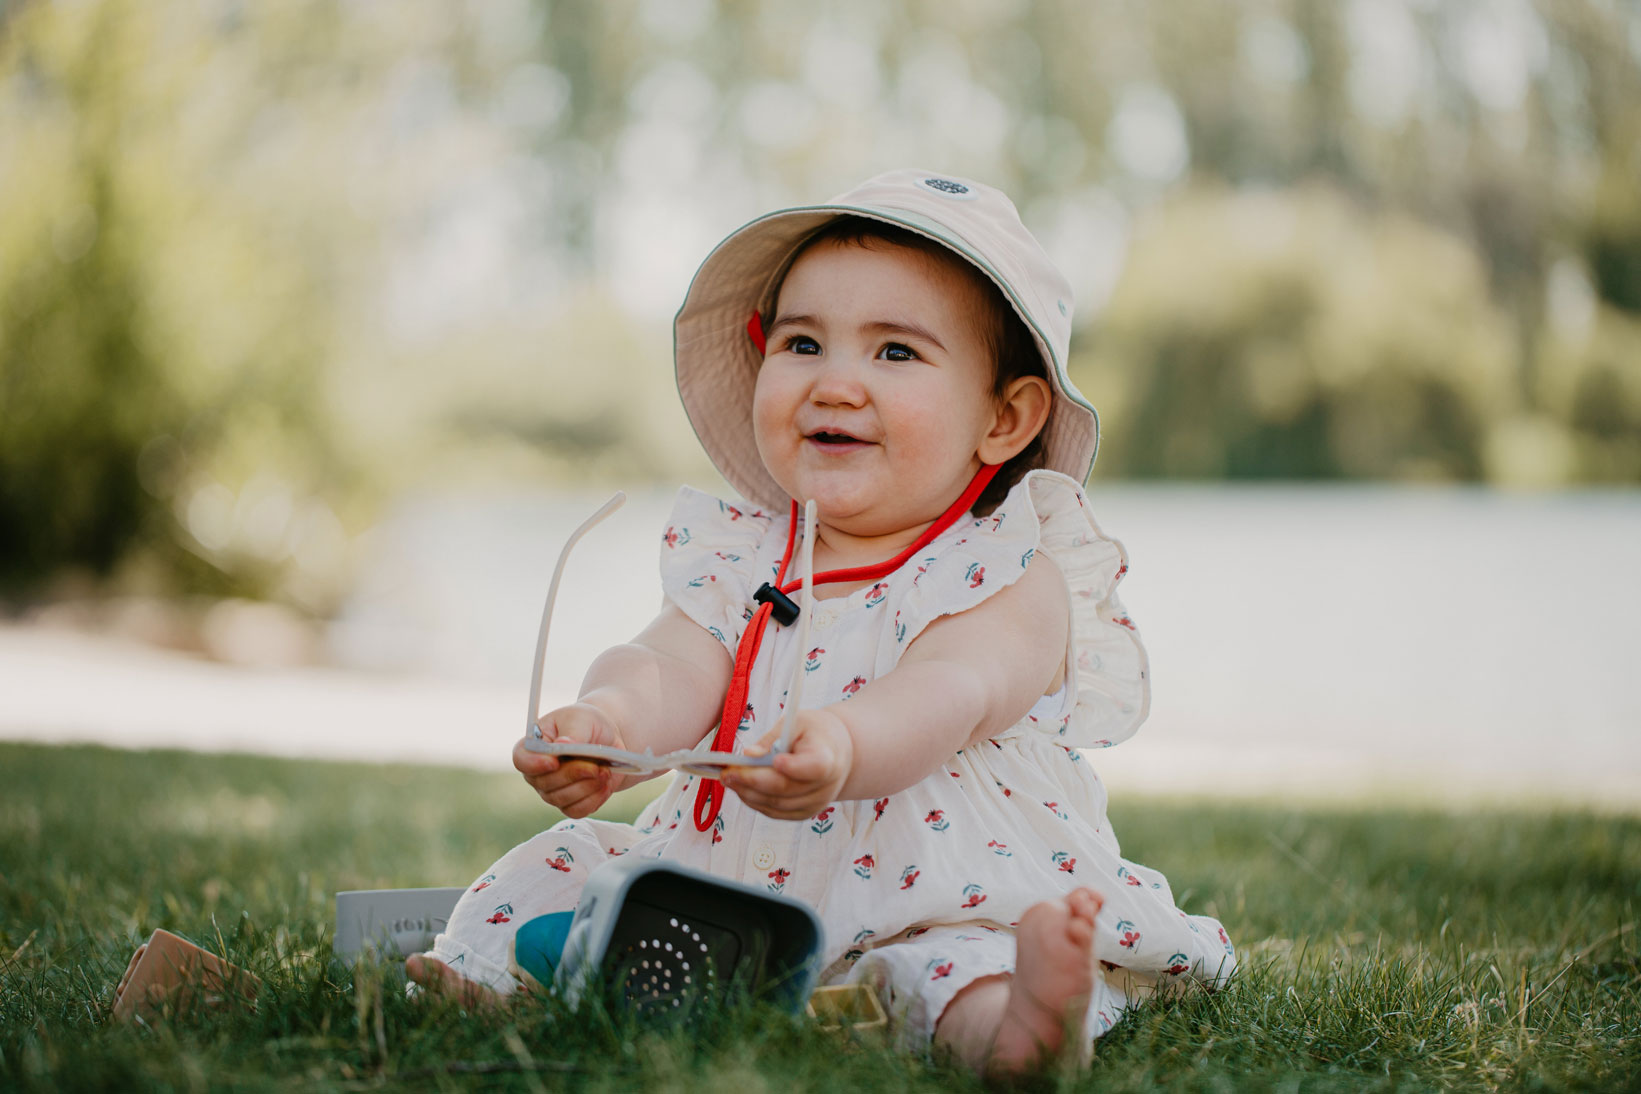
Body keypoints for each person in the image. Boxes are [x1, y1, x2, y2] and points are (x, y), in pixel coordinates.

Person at [408, 169, 1235, 1074]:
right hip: (728, 886)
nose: (835, 383)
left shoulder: (1004, 568)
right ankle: (484, 982)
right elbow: (671, 660)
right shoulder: (742, 555)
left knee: (945, 966)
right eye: (803, 342)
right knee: (563, 865)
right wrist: (609, 721)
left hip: (932, 889)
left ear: (1004, 418)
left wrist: (845, 744)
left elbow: (951, 689)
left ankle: (1018, 1025)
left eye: (894, 354)